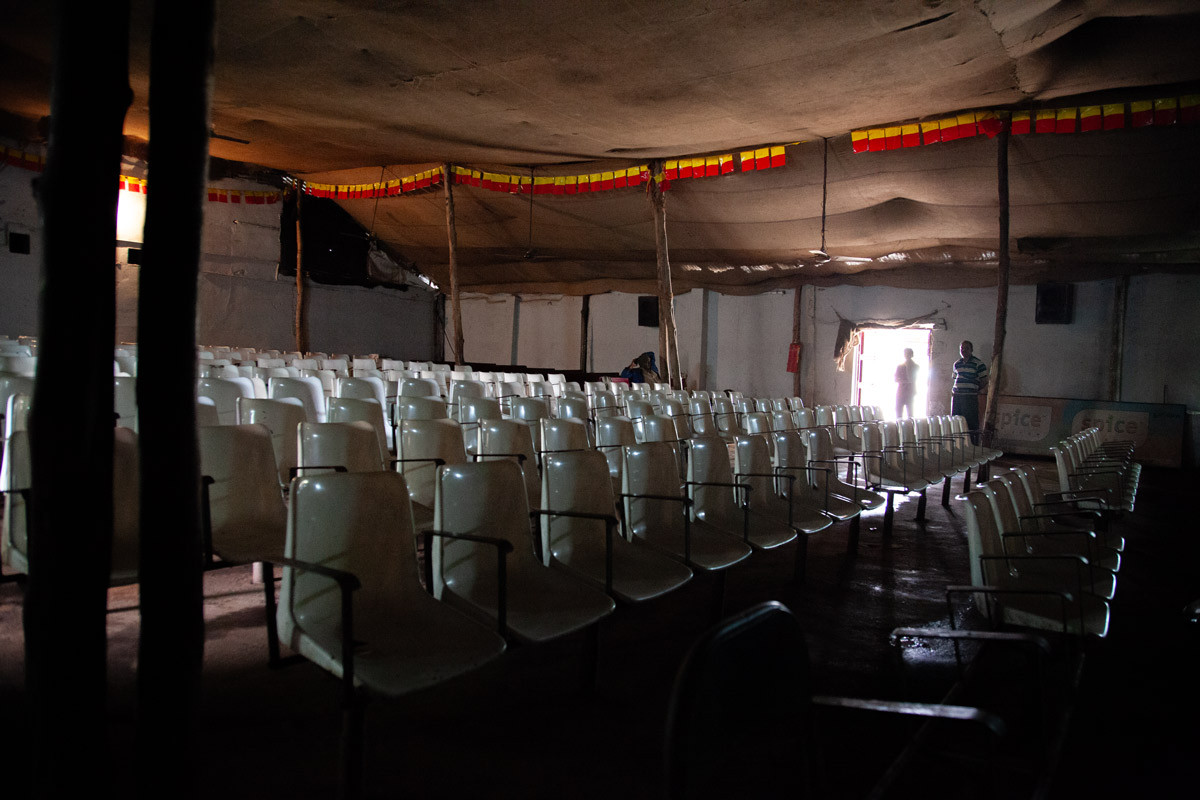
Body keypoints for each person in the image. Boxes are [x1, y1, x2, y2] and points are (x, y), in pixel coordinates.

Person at [951, 340, 988, 444]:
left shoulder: (978, 364)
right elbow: (955, 378)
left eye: (966, 348)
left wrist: (974, 389)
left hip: (970, 397)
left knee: (971, 422)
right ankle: (957, 444)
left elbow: (984, 381)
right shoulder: (957, 364)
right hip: (957, 397)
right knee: (956, 420)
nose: (963, 350)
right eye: (961, 348)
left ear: (971, 350)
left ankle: (972, 445)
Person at [894, 348, 918, 418]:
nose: (907, 355)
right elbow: (896, 379)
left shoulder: (915, 367)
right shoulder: (900, 366)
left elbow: (913, 378)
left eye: (909, 354)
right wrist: (905, 381)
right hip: (901, 391)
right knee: (899, 411)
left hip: (910, 391)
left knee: (910, 413)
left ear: (912, 355)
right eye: (906, 354)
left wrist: (907, 381)